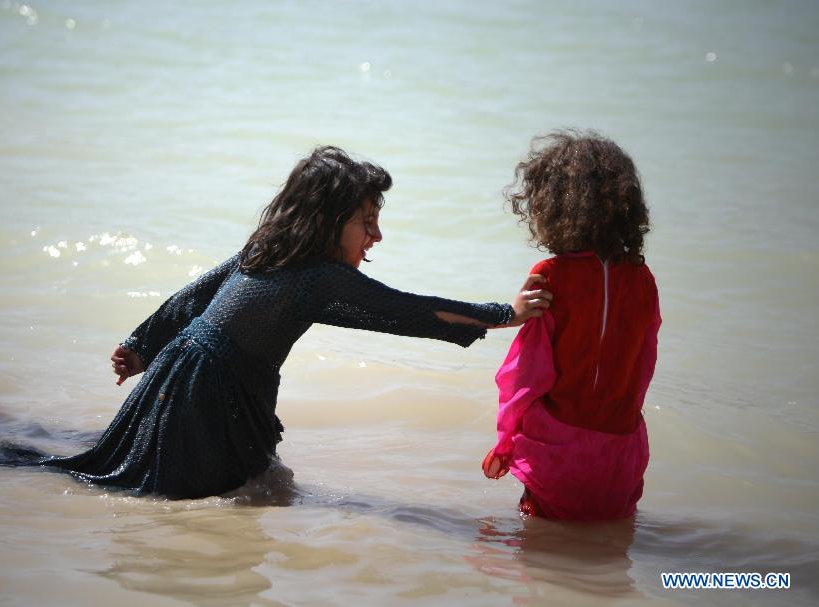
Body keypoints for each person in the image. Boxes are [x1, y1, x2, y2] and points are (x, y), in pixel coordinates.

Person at [41, 145, 552, 499]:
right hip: (209, 395)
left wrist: (141, 346)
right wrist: (507, 314)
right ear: (330, 222)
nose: (376, 236)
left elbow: (192, 296)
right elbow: (409, 310)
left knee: (165, 483)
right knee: (205, 494)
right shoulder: (321, 277)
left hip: (179, 374)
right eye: (366, 222)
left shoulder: (268, 249)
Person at [482, 131, 660, 520]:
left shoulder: (551, 276)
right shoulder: (643, 280)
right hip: (620, 448)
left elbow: (524, 374)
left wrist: (504, 440)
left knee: (541, 549)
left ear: (555, 205)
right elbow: (643, 367)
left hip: (558, 446)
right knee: (612, 548)